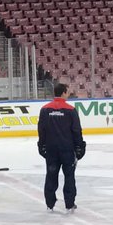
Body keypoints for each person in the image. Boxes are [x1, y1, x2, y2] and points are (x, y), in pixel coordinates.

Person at [37, 83, 85, 212]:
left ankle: (50, 204)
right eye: (68, 91)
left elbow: (41, 129)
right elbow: (76, 130)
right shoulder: (70, 110)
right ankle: (69, 204)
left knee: (51, 175)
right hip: (67, 150)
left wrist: (41, 145)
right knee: (69, 176)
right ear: (63, 92)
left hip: (51, 149)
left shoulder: (45, 109)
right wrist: (80, 146)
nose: (69, 93)